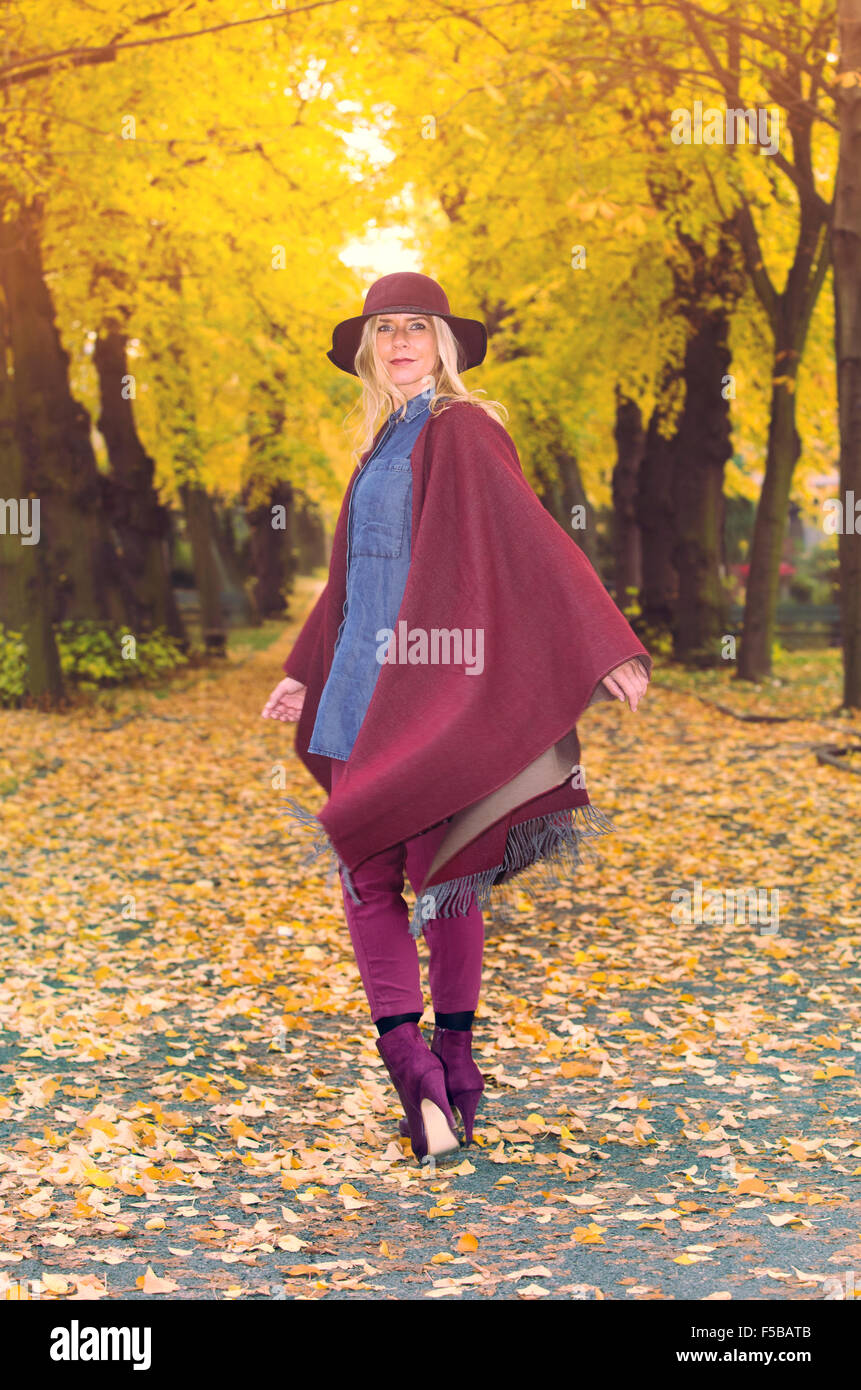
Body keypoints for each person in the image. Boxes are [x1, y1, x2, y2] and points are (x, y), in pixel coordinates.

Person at [262, 272, 650, 1167]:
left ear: (443, 343)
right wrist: (300, 674)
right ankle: (420, 1071)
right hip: (360, 685)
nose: (399, 341)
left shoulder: (462, 429)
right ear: (367, 348)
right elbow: (354, 577)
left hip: (432, 685)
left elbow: (530, 534)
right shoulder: (378, 445)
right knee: (367, 874)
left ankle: (450, 1068)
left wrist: (605, 644)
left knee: (441, 873)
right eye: (385, 329)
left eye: (416, 327)